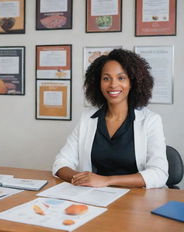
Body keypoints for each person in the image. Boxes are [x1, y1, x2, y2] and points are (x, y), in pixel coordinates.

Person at [52, 49, 168, 189]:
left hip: (137, 199)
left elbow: (159, 173)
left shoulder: (151, 121)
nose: (113, 84)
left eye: (121, 78)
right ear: (98, 83)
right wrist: (82, 179)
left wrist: (107, 180)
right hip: (94, 196)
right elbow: (61, 163)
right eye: (106, 78)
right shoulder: (87, 118)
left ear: (132, 83)